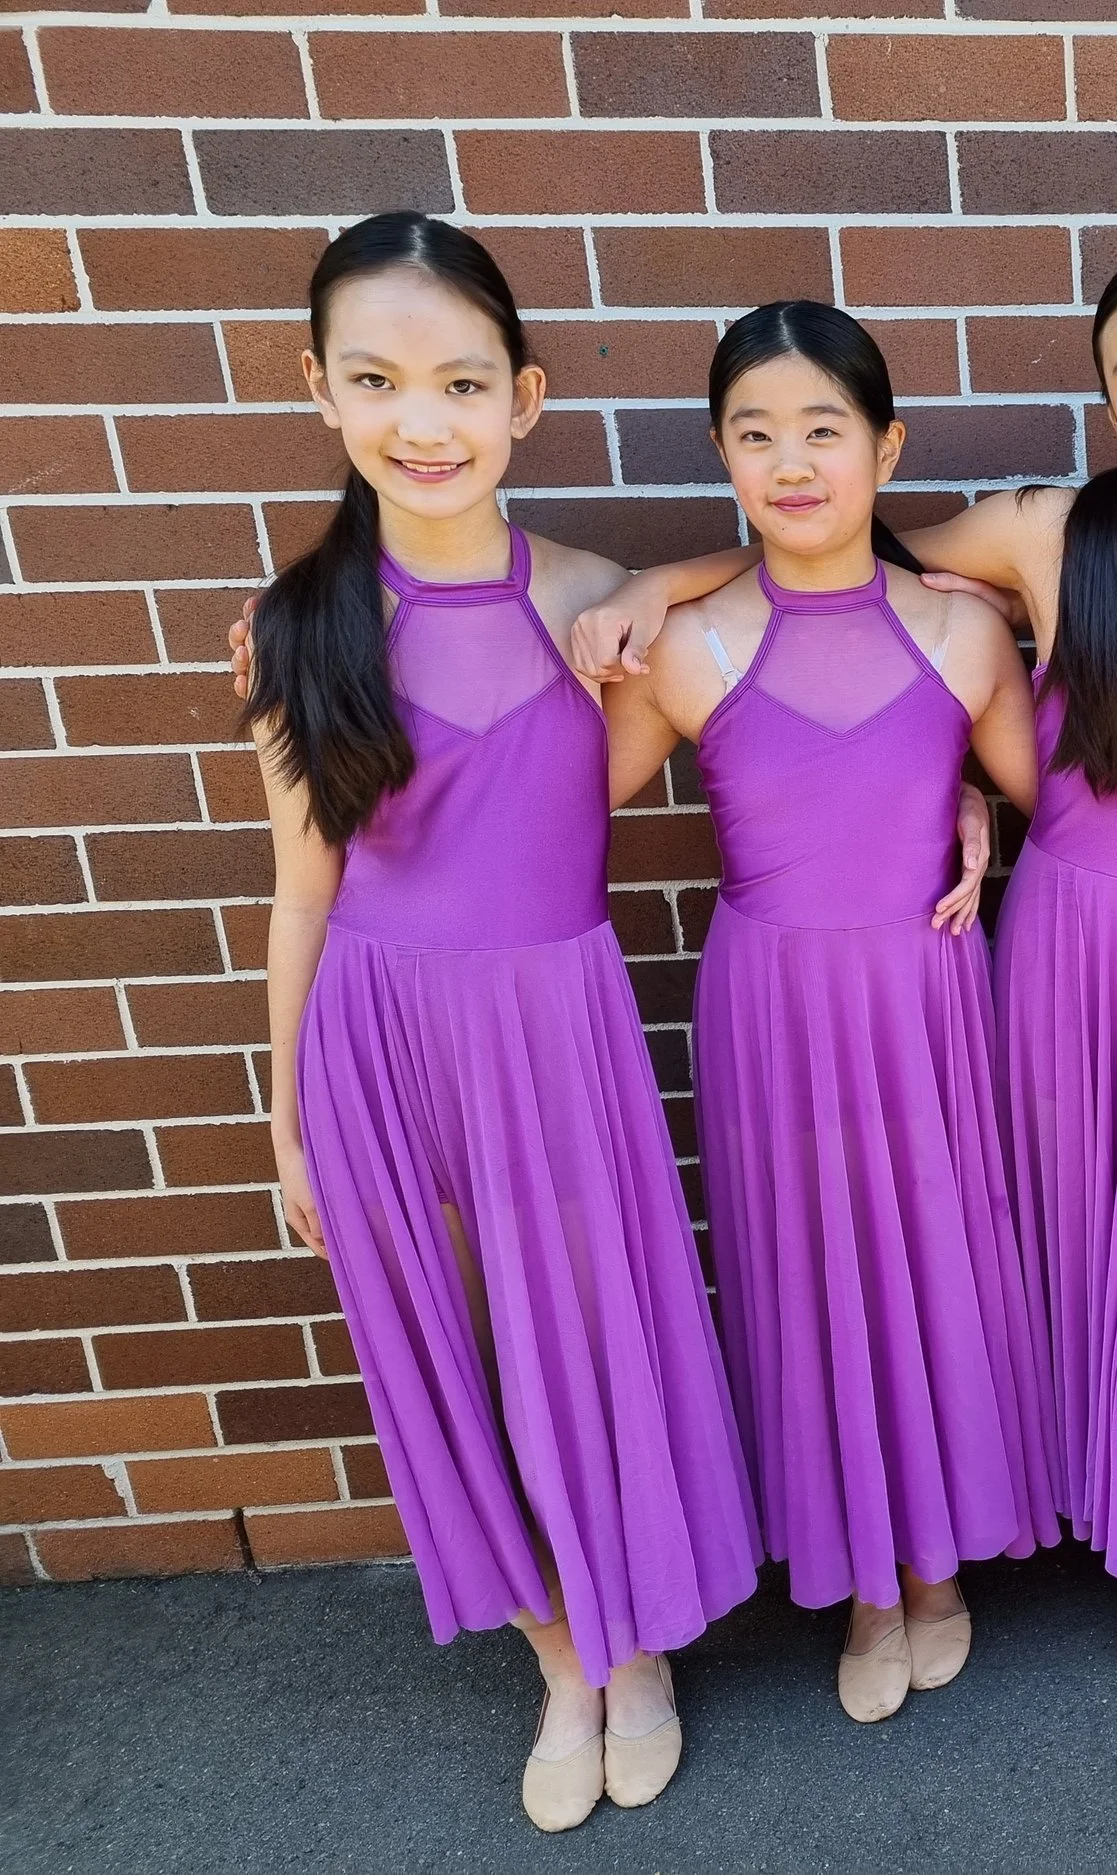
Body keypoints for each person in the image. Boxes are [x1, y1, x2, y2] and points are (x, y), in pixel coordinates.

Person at [572, 242, 1117, 1680]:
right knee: (1088, 1248)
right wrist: (656, 582)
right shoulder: (1046, 534)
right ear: (1106, 403)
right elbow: (846, 551)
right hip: (1062, 946)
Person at [242, 213, 755, 1832]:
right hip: (381, 1042)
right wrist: (287, 1119)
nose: (425, 420)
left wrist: (657, 583)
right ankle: (557, 1657)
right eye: (379, 379)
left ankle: (639, 1648)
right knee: (461, 1358)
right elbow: (302, 897)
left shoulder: (593, 598)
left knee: (584, 1342)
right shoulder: (301, 626)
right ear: (317, 387)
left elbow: (777, 550)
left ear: (524, 397)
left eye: (463, 381)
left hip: (558, 1030)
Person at [596, 301, 1056, 1723]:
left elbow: (1071, 801)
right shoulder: (689, 644)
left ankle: (937, 1563)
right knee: (812, 1273)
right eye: (755, 433)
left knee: (933, 1257)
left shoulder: (964, 633)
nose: (792, 462)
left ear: (884, 444)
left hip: (923, 996)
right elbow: (543, 813)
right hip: (773, 1008)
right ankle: (865, 1577)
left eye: (824, 429)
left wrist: (971, 801)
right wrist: (326, 643)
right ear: (723, 455)